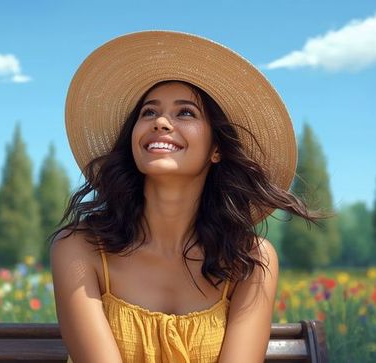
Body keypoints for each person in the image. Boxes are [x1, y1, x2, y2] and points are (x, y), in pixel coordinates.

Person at [50, 31, 325, 363]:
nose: (161, 123)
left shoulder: (251, 261)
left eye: (185, 113)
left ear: (217, 149)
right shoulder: (79, 250)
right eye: (148, 113)